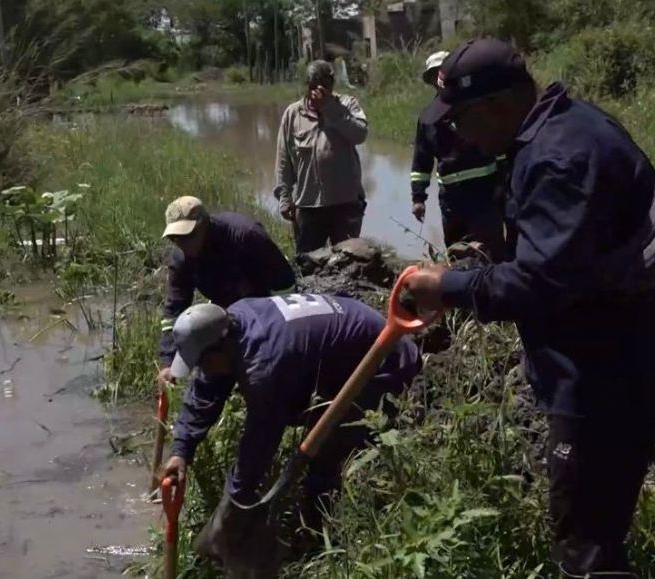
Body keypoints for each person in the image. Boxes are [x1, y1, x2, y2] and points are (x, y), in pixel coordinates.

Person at [404, 38, 655, 578]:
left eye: (460, 120)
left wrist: (447, 286)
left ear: (498, 104)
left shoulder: (560, 158)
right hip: (612, 356)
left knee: (585, 551)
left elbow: (540, 282)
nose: (455, 135)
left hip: (602, 377)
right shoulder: (567, 126)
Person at [161, 294, 420, 524]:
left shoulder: (265, 365)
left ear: (220, 347)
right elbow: (207, 391)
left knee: (327, 448)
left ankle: (321, 528)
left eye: (203, 363)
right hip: (342, 351)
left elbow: (259, 443)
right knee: (308, 417)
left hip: (385, 359)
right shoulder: (234, 319)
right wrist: (180, 451)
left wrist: (233, 505)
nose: (201, 371)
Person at [157, 196, 295, 388]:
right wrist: (167, 361)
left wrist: (284, 335)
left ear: (204, 224)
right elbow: (174, 311)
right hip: (227, 309)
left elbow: (285, 285)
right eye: (174, 238)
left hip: (265, 307)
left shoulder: (246, 235)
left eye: (187, 236)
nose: (182, 244)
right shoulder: (182, 259)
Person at [411, 50, 506, 261]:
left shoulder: (477, 106)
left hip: (485, 192)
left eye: (442, 72)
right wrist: (418, 198)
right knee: (457, 253)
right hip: (450, 198)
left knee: (491, 251)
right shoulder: (428, 118)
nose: (439, 79)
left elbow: (500, 147)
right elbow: (421, 160)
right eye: (434, 74)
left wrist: (504, 185)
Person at [274, 60, 369, 253]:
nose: (319, 92)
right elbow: (284, 160)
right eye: (314, 86)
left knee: (348, 264)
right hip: (308, 206)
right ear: (307, 87)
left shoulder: (347, 105)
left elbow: (360, 135)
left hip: (345, 204)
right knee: (307, 265)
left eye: (326, 86)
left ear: (332, 85)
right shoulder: (293, 114)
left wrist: (330, 108)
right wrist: (284, 197)